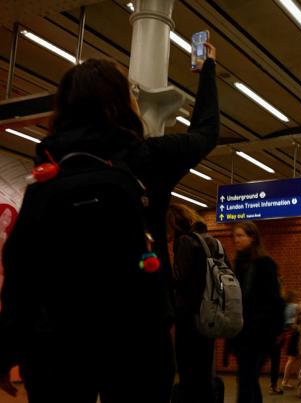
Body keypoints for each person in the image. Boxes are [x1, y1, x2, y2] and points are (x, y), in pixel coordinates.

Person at [0, 40, 219, 402]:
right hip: (138, 340)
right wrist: (207, 69)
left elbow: (21, 272)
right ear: (122, 103)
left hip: (57, 345)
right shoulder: (147, 158)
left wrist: (8, 349)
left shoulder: (46, 178)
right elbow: (207, 131)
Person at [167, 204, 224, 403]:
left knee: (188, 371)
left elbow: (178, 278)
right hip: (209, 313)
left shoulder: (185, 241)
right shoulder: (210, 241)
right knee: (203, 371)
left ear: (173, 222)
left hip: (189, 317)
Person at [231, 221, 284, 403]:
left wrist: (277, 330)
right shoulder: (237, 264)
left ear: (252, 238)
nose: (236, 240)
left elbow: (275, 299)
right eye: (235, 236)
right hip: (241, 331)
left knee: (247, 377)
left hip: (258, 331)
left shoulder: (264, 264)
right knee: (247, 378)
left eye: (240, 236)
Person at [281, 290, 300, 390]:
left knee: (293, 359)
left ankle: (288, 380)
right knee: (292, 359)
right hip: (294, 334)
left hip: (287, 333)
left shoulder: (284, 307)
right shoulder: (295, 306)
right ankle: (285, 381)